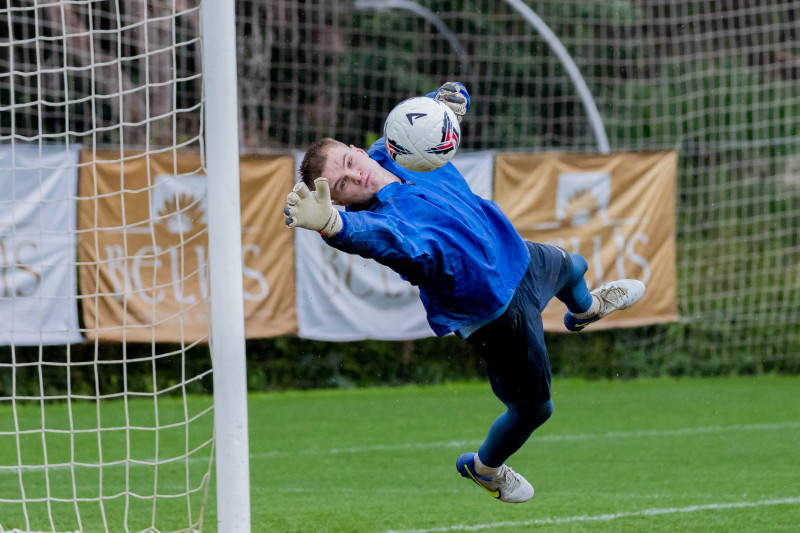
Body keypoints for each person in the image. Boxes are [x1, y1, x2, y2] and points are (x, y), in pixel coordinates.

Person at [284, 82, 645, 503]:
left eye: (349, 161)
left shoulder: (399, 148)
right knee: (535, 411)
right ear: (342, 202)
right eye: (342, 185)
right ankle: (485, 468)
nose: (353, 175)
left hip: (515, 255)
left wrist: (445, 107)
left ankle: (585, 310)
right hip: (494, 314)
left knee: (574, 268)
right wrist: (331, 225)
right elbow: (367, 237)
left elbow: (426, 123)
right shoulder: (385, 223)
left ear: (357, 148)